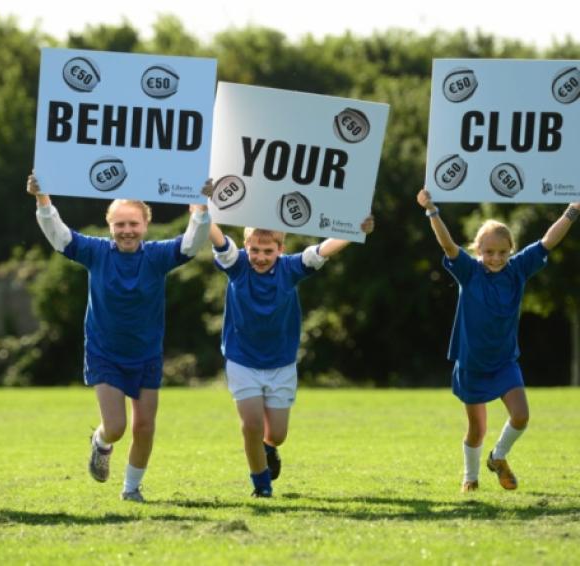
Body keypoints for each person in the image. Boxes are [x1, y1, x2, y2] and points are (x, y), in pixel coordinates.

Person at [27, 174, 210, 502]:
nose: (127, 231)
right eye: (120, 224)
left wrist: (201, 211)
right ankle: (100, 442)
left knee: (144, 428)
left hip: (146, 353)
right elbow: (60, 237)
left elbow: (190, 245)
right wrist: (43, 201)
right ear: (109, 225)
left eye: (133, 224)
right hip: (105, 352)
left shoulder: (156, 257)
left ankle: (131, 488)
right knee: (116, 427)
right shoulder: (96, 252)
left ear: (145, 225)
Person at [205, 189, 374, 498]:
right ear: (246, 246)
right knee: (251, 425)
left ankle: (270, 449)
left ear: (280, 249)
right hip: (242, 359)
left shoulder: (291, 268)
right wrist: (201, 209)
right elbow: (216, 237)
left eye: (268, 251)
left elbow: (324, 249)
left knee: (277, 434)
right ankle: (261, 485)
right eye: (255, 249)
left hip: (281, 363)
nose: (260, 257)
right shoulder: (237, 265)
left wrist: (355, 229)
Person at [417, 188, 580, 492]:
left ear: (511, 250)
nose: (495, 258)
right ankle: (470, 477)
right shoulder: (469, 272)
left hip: (504, 362)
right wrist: (431, 210)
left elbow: (549, 240)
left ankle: (498, 457)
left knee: (521, 416)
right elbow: (448, 244)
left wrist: (573, 208)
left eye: (502, 252)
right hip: (471, 365)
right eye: (489, 252)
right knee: (476, 429)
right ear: (478, 250)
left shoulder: (518, 270)